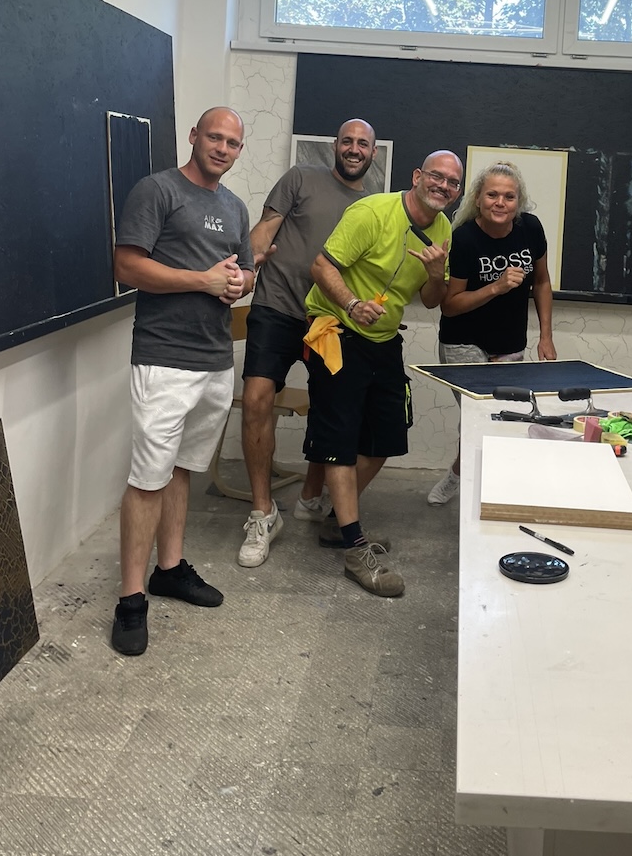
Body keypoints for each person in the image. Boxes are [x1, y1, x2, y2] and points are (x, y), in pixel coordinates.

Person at [110, 107, 254, 656]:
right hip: (165, 358)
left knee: (181, 469)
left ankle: (168, 569)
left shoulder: (235, 207)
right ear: (194, 136)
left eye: (232, 143)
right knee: (148, 477)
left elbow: (242, 273)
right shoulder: (158, 191)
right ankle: (130, 599)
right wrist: (203, 280)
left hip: (215, 358)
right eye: (214, 137)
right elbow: (126, 266)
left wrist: (239, 283)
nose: (222, 148)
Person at [302, 152, 462, 596]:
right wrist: (352, 304)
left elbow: (431, 299)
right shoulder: (371, 212)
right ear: (418, 176)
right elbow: (320, 266)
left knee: (386, 437)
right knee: (340, 443)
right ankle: (355, 548)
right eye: (436, 176)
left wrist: (436, 274)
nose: (443, 186)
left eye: (453, 183)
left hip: (384, 337)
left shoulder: (444, 229)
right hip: (335, 328)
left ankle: (337, 522)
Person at [237, 118, 378, 568]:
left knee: (331, 411)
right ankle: (263, 513)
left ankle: (311, 496)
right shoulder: (299, 178)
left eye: (363, 144)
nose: (354, 149)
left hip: (329, 318)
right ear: (335, 145)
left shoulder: (373, 205)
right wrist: (246, 267)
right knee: (257, 398)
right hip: (276, 305)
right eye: (347, 141)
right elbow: (265, 229)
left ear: (373, 153)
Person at [427, 161, 557, 505]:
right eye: (492, 195)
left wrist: (546, 336)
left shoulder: (530, 228)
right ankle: (474, 489)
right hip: (463, 342)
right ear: (478, 199)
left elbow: (542, 282)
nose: (500, 202)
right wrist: (495, 287)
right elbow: (449, 305)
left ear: (519, 201)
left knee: (501, 420)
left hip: (509, 342)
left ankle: (460, 475)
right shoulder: (465, 238)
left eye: (509, 196)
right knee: (480, 417)